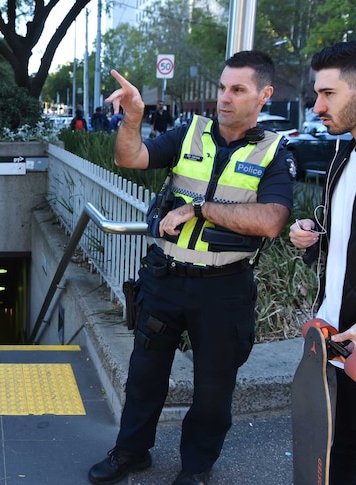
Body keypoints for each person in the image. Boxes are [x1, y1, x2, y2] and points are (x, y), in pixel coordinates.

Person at [89, 51, 295, 485]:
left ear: (264, 95)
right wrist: (133, 118)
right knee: (144, 376)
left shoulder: (274, 152)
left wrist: (199, 209)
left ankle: (196, 468)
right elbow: (131, 158)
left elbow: (273, 220)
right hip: (165, 278)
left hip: (225, 289)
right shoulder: (190, 134)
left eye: (238, 90)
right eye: (223, 87)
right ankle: (131, 452)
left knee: (213, 391)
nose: (225, 98)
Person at [289, 39, 356, 485]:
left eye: (327, 94)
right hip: (335, 346)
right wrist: (313, 237)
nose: (317, 106)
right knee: (334, 465)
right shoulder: (342, 153)